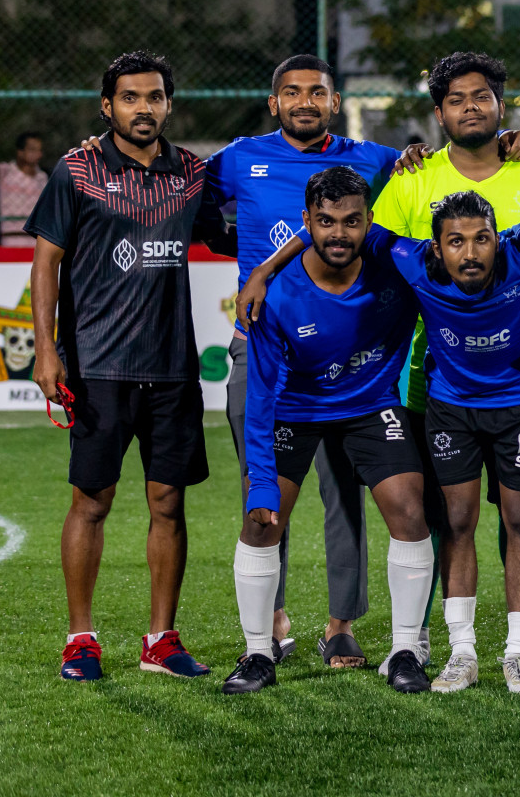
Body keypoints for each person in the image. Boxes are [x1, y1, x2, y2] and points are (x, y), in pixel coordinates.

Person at [243, 190, 520, 694]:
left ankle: (511, 650)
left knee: (508, 519)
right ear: (434, 248)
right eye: (455, 241)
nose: (470, 252)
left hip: (516, 406)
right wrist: (263, 271)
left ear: (497, 240)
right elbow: (331, 228)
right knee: (454, 522)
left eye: (482, 239)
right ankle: (459, 651)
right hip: (446, 409)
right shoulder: (407, 261)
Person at [26, 51, 232, 682]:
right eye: (131, 97)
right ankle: (80, 638)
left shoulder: (193, 174)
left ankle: (160, 640)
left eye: (155, 97)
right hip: (98, 366)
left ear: (169, 104)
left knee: (168, 502)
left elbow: (230, 229)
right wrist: (45, 348)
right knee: (92, 499)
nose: (144, 108)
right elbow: (46, 261)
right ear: (107, 105)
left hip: (172, 367)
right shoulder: (77, 170)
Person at [371, 51, 520, 677]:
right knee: (445, 516)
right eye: (456, 100)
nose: (469, 108)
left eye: (481, 97)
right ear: (438, 113)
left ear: (500, 105)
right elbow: (375, 245)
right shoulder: (412, 178)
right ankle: (441, 642)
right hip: (437, 380)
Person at [207, 54, 407, 669]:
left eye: (315, 93)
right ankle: (271, 616)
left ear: (335, 100)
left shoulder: (373, 161)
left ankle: (341, 623)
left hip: (346, 353)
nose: (303, 102)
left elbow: (432, 186)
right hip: (263, 344)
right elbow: (186, 196)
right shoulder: (239, 157)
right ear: (274, 103)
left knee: (344, 489)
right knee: (265, 484)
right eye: (291, 93)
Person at [221, 168, 434, 695]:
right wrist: (264, 483)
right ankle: (257, 654)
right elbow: (262, 399)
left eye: (352, 222)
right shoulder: (274, 298)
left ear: (369, 223)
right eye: (326, 222)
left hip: (369, 404)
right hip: (294, 408)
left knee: (410, 509)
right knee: (262, 523)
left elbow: (447, 256)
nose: (339, 233)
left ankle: (405, 650)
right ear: (307, 222)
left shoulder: (395, 265)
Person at [0, 122, 49, 247]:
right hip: (11, 238)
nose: (38, 154)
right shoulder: (6, 172)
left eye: (39, 150)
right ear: (20, 152)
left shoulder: (42, 177)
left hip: (39, 238)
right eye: (32, 149)